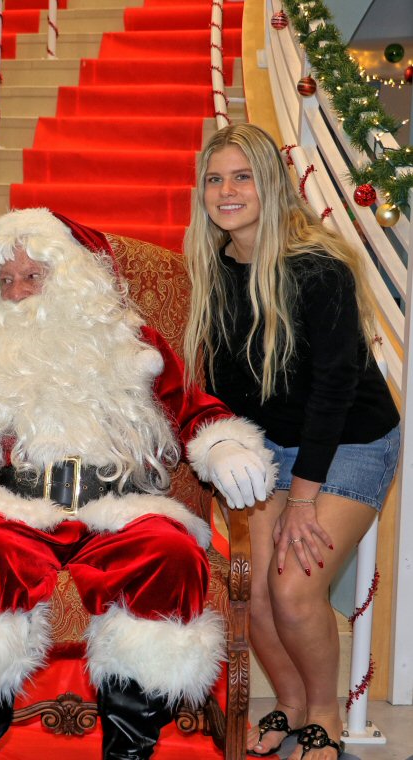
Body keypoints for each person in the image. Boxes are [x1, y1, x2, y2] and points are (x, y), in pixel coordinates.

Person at [0, 207, 276, 760]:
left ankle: (128, 751)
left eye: (32, 276)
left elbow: (194, 408)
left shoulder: (131, 344)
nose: (16, 292)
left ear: (71, 278)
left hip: (117, 505)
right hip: (7, 505)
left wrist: (224, 446)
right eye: (5, 279)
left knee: (168, 555)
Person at [183, 123, 400, 760]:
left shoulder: (318, 267)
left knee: (294, 588)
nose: (226, 191)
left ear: (272, 185)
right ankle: (291, 701)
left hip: (349, 440)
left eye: (242, 176)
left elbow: (334, 391)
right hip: (265, 446)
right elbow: (221, 389)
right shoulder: (213, 266)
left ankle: (325, 714)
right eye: (214, 179)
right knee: (252, 586)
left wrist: (301, 499)